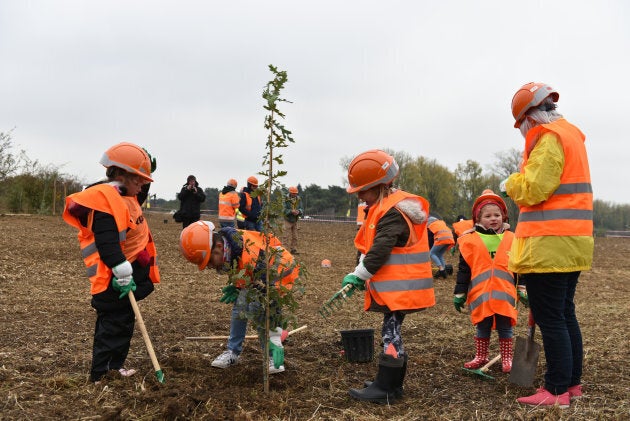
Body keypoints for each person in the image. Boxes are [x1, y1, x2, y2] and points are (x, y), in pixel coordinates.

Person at [502, 82, 593, 408]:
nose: (523, 132)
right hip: (572, 242)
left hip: (549, 244)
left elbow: (534, 188)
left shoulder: (549, 138)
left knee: (552, 318)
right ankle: (571, 385)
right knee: (564, 315)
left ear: (530, 118)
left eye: (521, 126)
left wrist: (509, 182)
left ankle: (555, 391)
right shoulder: (570, 135)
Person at [341, 149, 435, 404]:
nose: (360, 195)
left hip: (401, 289)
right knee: (391, 332)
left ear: (381, 186)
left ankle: (386, 388)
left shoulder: (393, 211)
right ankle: (391, 384)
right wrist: (359, 270)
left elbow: (381, 249)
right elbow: (370, 245)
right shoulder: (383, 207)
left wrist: (359, 275)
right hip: (397, 288)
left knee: (390, 334)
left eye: (363, 190)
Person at [62, 142, 160, 383]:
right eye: (137, 178)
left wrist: (148, 168)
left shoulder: (126, 194)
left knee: (124, 322)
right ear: (119, 174)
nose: (142, 183)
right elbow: (106, 241)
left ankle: (114, 367)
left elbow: (139, 193)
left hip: (128, 270)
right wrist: (120, 267)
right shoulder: (105, 201)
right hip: (113, 277)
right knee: (112, 325)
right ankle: (100, 374)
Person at [179, 221, 299, 374]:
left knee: (260, 310)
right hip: (259, 274)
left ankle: (274, 357)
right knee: (240, 305)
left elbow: (267, 293)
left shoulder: (252, 256)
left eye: (209, 261)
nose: (209, 266)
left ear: (219, 247)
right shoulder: (232, 248)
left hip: (279, 274)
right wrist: (238, 286)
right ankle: (233, 352)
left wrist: (255, 294)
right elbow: (243, 270)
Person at [453, 190, 520, 373]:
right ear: (478, 218)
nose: (493, 219)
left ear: (503, 216)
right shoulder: (470, 241)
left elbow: (520, 268)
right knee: (482, 326)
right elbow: (464, 269)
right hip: (480, 294)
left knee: (505, 327)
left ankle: (507, 358)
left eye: (497, 215)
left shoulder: (512, 239)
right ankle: (481, 356)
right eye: (488, 215)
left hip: (504, 294)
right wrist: (459, 293)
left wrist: (523, 289)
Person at [282, 186, 303, 254]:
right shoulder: (285, 199)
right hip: (287, 220)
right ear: (290, 192)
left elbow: (301, 208)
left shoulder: (299, 199)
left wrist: (298, 211)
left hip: (295, 220)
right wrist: (291, 211)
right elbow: (283, 209)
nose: (294, 194)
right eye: (293, 193)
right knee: (285, 236)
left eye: (295, 193)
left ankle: (293, 249)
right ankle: (284, 250)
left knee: (295, 236)